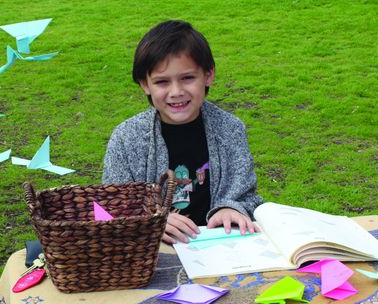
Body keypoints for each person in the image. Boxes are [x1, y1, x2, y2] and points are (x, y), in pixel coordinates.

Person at [102, 20, 264, 244]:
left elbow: (246, 196)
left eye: (187, 78)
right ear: (145, 84)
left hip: (221, 245)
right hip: (152, 255)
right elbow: (111, 208)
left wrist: (230, 208)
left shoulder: (230, 129)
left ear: (208, 75)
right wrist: (153, 221)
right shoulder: (126, 138)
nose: (176, 92)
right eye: (162, 82)